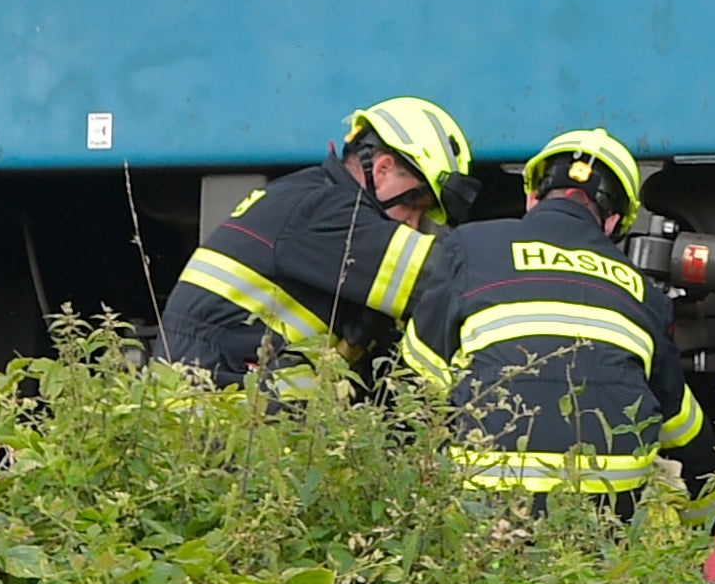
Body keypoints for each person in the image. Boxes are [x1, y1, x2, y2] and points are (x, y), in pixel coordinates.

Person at [404, 127, 706, 502]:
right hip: (605, 509)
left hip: (489, 496)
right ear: (613, 222)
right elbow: (678, 422)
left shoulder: (471, 244)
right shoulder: (643, 291)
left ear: (533, 196)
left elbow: (420, 373)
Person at [153, 96, 474, 394]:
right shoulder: (324, 211)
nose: (414, 225)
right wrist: (516, 258)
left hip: (228, 417)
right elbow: (443, 276)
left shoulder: (307, 197)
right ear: (383, 169)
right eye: (414, 203)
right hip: (223, 420)